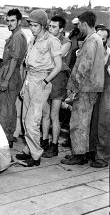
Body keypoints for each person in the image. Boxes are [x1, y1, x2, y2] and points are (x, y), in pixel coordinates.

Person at [15, 9, 62, 167]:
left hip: (41, 81)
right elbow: (28, 64)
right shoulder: (33, 39)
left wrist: (45, 81)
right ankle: (29, 149)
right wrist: (24, 85)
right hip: (30, 80)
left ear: (43, 25)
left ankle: (36, 156)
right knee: (24, 119)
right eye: (31, 25)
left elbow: (58, 66)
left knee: (32, 121)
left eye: (35, 25)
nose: (32, 28)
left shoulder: (52, 41)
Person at [61, 12, 105, 165]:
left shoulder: (91, 41)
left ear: (84, 24)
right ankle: (82, 152)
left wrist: (73, 90)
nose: (78, 27)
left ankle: (78, 155)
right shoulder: (97, 39)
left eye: (79, 24)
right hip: (92, 87)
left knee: (78, 122)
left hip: (85, 88)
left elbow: (84, 67)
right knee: (85, 122)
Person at [0, 8, 27, 148]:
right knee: (8, 108)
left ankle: (3, 139)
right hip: (8, 71)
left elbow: (14, 60)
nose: (9, 23)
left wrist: (5, 80)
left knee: (5, 109)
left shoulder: (17, 37)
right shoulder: (16, 35)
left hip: (10, 74)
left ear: (19, 21)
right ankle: (7, 137)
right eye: (7, 21)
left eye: (12, 21)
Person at [41, 16, 72, 157]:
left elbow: (55, 59)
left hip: (58, 81)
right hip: (46, 78)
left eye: (54, 27)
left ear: (61, 29)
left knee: (54, 115)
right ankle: (44, 141)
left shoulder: (67, 42)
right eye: (50, 26)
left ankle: (54, 146)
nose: (50, 29)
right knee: (45, 114)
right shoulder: (47, 39)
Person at [89, 26, 110, 168]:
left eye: (103, 39)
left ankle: (103, 157)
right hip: (97, 89)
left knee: (104, 123)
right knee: (94, 121)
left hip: (107, 90)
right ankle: (93, 151)